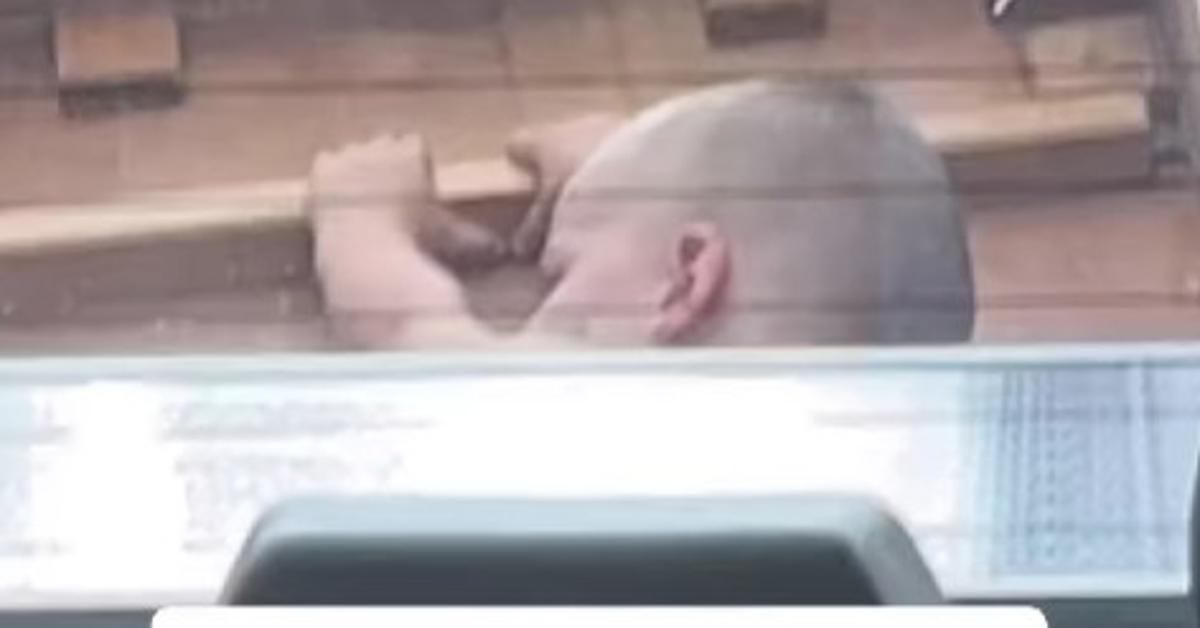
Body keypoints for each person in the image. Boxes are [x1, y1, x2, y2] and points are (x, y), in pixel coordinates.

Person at [308, 80, 975, 350]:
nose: (542, 296)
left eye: (560, 273)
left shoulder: (614, 425)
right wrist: (619, 183)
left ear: (686, 282)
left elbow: (406, 327)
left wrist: (360, 219)